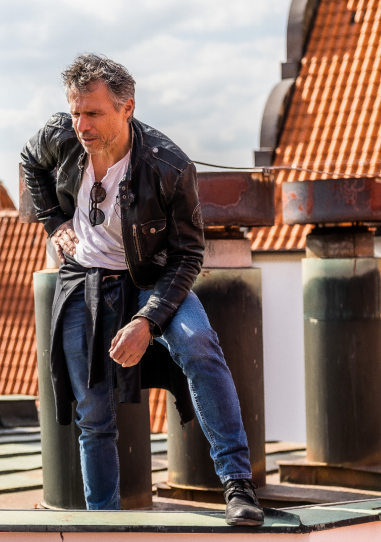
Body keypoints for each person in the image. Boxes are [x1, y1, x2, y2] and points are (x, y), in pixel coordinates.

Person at [20, 54, 263, 526]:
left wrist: (148, 320)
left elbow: (189, 255)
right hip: (83, 282)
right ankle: (104, 525)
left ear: (126, 107)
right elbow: (30, 160)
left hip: (150, 279)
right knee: (93, 415)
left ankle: (237, 485)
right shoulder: (61, 136)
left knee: (199, 344)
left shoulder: (169, 166)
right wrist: (54, 222)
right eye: (75, 111)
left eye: (93, 113)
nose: (81, 124)